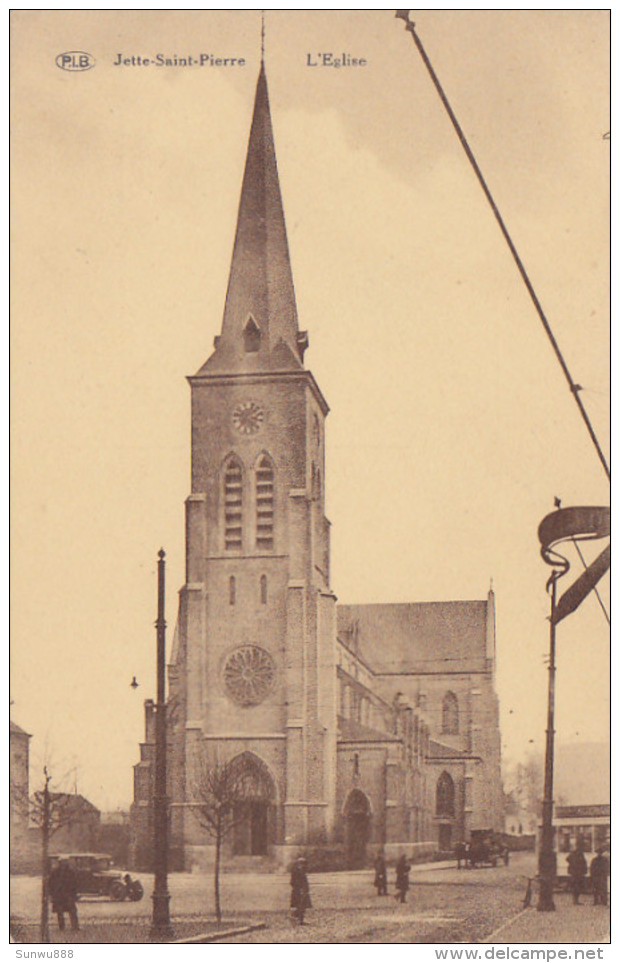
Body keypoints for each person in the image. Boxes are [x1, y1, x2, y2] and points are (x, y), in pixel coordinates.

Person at [48, 859, 79, 931]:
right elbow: (50, 884)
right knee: (60, 912)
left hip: (68, 895)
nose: (64, 864)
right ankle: (61, 927)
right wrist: (52, 894)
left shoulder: (70, 872)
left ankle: (75, 926)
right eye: (62, 862)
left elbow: (74, 884)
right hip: (59, 895)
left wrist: (74, 894)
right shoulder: (55, 873)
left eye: (65, 862)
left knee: (72, 911)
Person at [290, 857, 311, 926]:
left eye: (305, 864)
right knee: (298, 906)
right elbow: (292, 882)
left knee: (303, 906)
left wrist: (305, 890)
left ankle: (300, 920)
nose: (304, 865)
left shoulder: (302, 872)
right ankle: (296, 920)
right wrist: (299, 889)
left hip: (303, 892)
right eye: (302, 864)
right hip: (297, 892)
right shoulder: (296, 872)